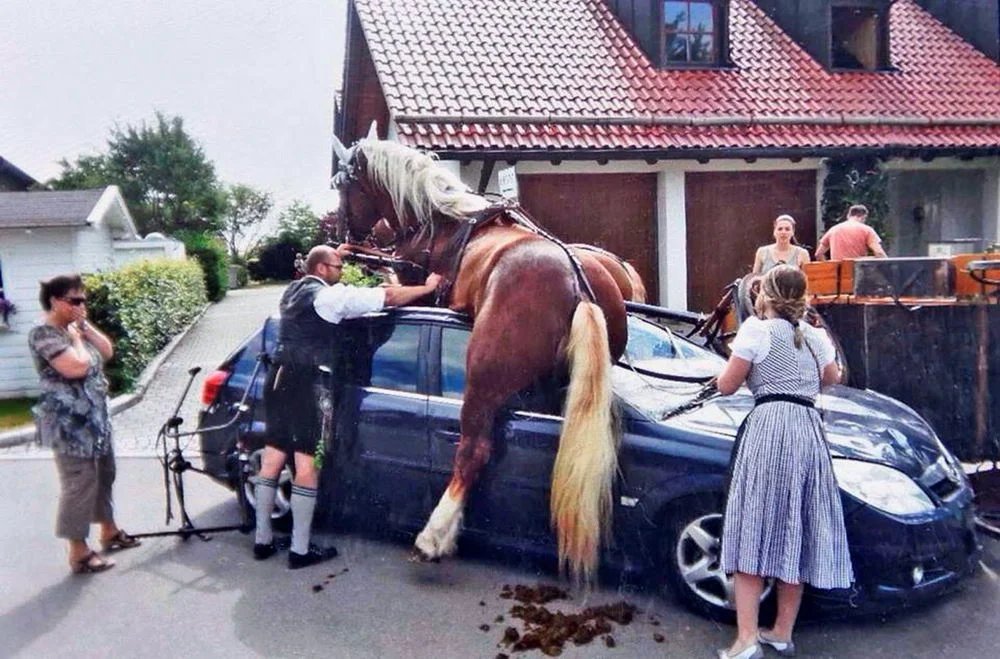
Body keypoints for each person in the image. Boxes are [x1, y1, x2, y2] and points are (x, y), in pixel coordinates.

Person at [254, 245, 442, 569]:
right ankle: (299, 550)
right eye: (338, 267)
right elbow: (388, 299)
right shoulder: (329, 298)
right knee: (308, 466)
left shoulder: (292, 291)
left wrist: (339, 252)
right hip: (311, 384)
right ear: (324, 268)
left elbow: (323, 269)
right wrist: (427, 288)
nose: (341, 272)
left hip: (278, 377)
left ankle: (262, 541)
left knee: (272, 459)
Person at [714, 265, 853, 659]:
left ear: (767, 295)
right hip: (807, 431)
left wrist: (735, 371)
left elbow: (727, 384)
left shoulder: (756, 330)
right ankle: (780, 633)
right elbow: (832, 378)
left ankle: (746, 641)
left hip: (769, 427)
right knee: (797, 528)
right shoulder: (814, 336)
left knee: (752, 529)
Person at [28, 274, 141, 575]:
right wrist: (76, 339)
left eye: (84, 300)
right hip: (68, 425)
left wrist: (85, 327)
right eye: (74, 300)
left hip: (95, 419)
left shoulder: (75, 328)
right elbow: (76, 367)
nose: (81, 305)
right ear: (54, 300)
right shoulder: (44, 334)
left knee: (105, 474)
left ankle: (109, 530)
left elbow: (106, 350)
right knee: (79, 484)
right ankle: (78, 552)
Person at [815, 204, 887, 261]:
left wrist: (829, 269)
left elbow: (818, 254)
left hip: (838, 274)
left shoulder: (833, 229)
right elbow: (879, 253)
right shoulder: (867, 230)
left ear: (848, 216)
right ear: (863, 217)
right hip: (857, 273)